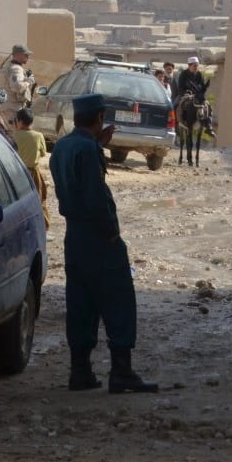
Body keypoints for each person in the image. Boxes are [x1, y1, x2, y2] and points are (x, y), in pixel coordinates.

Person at [50, 93, 158, 394]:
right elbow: (95, 197)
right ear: (99, 118)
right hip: (98, 237)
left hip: (74, 237)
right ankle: (121, 371)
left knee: (81, 303)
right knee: (118, 300)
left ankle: (80, 371)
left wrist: (98, 145)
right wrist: (112, 232)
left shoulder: (63, 146)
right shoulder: (87, 149)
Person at [12, 108, 49, 228]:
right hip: (34, 172)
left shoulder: (15, 136)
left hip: (18, 172)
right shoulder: (38, 136)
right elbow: (43, 153)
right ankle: (42, 226)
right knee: (38, 199)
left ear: (20, 122)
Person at [0, 44, 35, 129]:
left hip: (5, 107)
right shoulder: (16, 69)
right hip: (13, 110)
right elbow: (16, 87)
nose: (27, 57)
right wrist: (29, 81)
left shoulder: (6, 67)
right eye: (25, 55)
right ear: (18, 55)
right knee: (14, 137)